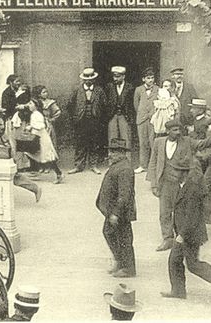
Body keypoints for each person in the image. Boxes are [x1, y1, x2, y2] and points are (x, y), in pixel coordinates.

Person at [161, 159, 211, 300]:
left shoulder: (191, 188)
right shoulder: (184, 185)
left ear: (184, 173)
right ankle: (178, 291)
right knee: (175, 261)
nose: (173, 173)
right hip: (187, 232)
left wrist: (182, 235)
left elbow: (191, 215)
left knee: (193, 265)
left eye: (176, 170)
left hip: (190, 233)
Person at [148, 119, 194, 251]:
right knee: (164, 212)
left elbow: (190, 163)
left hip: (179, 182)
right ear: (167, 131)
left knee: (180, 211)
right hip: (164, 182)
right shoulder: (159, 142)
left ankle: (181, 239)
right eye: (174, 130)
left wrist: (186, 182)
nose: (178, 132)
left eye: (179, 130)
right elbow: (153, 163)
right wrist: (154, 184)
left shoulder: (186, 142)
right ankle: (167, 238)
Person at [96, 138, 136, 278]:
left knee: (124, 238)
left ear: (122, 153)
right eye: (110, 151)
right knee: (110, 233)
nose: (110, 154)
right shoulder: (118, 165)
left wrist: (116, 213)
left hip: (120, 212)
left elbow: (124, 194)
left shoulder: (125, 169)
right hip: (113, 211)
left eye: (113, 151)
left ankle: (128, 268)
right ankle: (120, 261)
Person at [12, 98, 64, 183]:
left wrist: (31, 127)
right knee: (32, 153)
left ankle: (59, 174)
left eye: (31, 104)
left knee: (47, 157)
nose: (29, 105)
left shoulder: (37, 114)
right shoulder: (34, 114)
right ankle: (34, 171)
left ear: (36, 106)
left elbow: (41, 126)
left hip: (41, 138)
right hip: (37, 137)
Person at [67, 68, 106, 175]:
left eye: (91, 79)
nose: (88, 81)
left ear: (94, 79)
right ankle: (78, 165)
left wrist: (99, 116)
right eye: (86, 79)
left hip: (94, 121)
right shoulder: (77, 90)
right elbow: (70, 105)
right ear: (83, 80)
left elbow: (104, 105)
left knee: (94, 143)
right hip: (81, 121)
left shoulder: (99, 90)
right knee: (80, 144)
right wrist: (75, 118)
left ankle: (93, 165)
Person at [133, 68, 158, 173]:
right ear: (143, 79)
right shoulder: (138, 90)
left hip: (153, 119)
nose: (151, 80)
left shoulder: (158, 89)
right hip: (142, 120)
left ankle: (153, 166)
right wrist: (142, 114)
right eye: (148, 78)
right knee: (143, 143)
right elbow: (136, 104)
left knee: (153, 142)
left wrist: (152, 114)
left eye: (152, 78)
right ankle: (143, 165)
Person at [106, 66, 135, 154]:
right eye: (114, 76)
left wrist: (130, 116)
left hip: (124, 116)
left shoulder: (130, 87)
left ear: (123, 76)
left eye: (118, 76)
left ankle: (127, 163)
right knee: (112, 139)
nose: (115, 78)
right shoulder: (109, 87)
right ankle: (112, 163)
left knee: (126, 139)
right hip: (113, 116)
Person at [32, 85, 61, 152]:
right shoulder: (34, 102)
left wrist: (51, 119)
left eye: (46, 92)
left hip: (47, 126)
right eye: (44, 92)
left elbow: (57, 112)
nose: (46, 94)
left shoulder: (50, 103)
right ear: (39, 94)